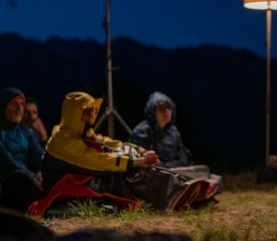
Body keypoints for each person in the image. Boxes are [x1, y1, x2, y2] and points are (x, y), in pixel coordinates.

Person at [40, 92, 217, 214]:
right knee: (122, 175)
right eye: (87, 112)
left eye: (93, 111)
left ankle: (183, 189)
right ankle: (177, 194)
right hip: (68, 183)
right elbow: (96, 160)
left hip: (83, 174)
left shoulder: (81, 133)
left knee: (128, 158)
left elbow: (109, 143)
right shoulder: (63, 140)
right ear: (75, 114)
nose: (92, 116)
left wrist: (140, 152)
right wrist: (134, 162)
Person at [130, 91, 223, 190]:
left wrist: (174, 166)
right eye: (161, 109)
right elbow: (148, 163)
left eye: (169, 108)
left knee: (204, 170)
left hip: (174, 171)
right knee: (168, 177)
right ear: (152, 112)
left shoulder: (173, 131)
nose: (166, 112)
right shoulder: (143, 131)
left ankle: (188, 186)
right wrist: (170, 166)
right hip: (155, 174)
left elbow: (183, 157)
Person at [0, 87, 45, 211]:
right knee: (19, 178)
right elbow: (7, 161)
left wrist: (43, 171)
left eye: (22, 104)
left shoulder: (24, 131)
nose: (20, 108)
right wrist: (31, 176)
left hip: (29, 178)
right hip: (8, 178)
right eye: (14, 104)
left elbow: (38, 155)